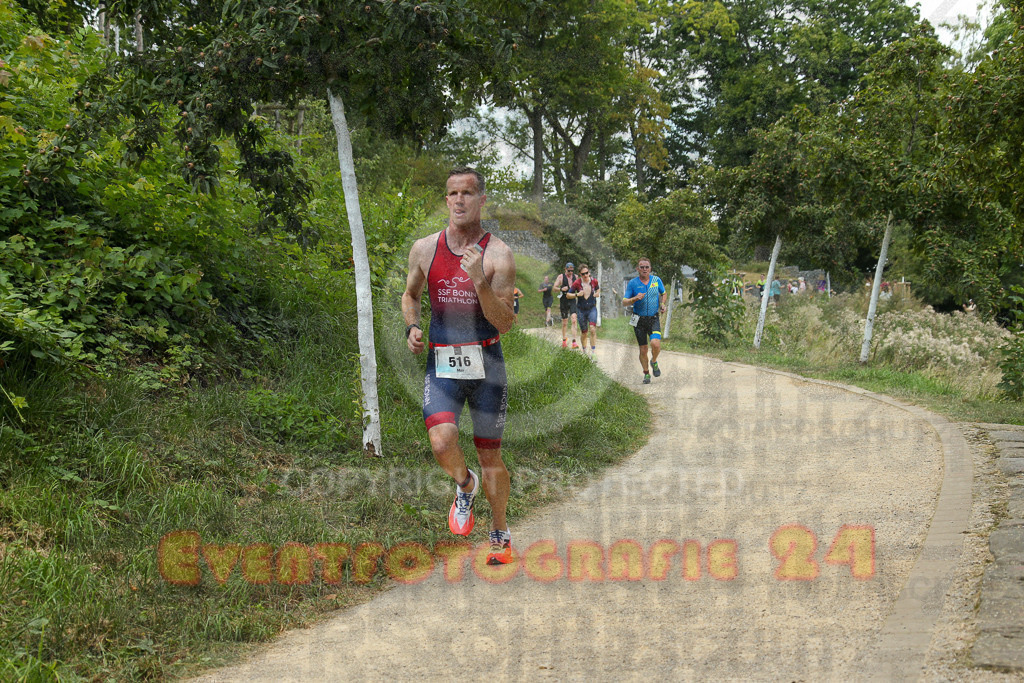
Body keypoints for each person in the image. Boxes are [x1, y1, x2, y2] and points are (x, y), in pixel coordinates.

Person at [401, 166, 516, 566]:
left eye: (468, 193)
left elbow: (505, 322)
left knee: (490, 457)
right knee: (441, 440)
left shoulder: (498, 254)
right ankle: (463, 487)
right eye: (452, 193)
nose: (459, 200)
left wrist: (479, 282)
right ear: (446, 199)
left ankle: (499, 532)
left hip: (487, 365)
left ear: (482, 199)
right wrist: (412, 326)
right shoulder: (425, 249)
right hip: (443, 362)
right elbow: (410, 295)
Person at [622, 257, 666, 384]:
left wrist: (663, 304)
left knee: (655, 344)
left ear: (650, 269)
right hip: (639, 320)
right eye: (642, 267)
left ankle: (654, 361)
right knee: (643, 349)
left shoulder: (656, 280)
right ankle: (646, 373)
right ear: (637, 269)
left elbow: (663, 293)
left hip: (653, 318)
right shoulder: (633, 283)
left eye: (647, 267)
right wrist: (634, 299)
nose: (644, 269)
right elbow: (624, 302)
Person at [571, 264, 600, 355]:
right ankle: (584, 351)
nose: (586, 275)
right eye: (583, 274)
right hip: (581, 310)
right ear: (580, 274)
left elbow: (598, 289)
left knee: (592, 329)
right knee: (584, 332)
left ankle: (593, 351)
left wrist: (597, 293)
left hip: (592, 308)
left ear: (589, 272)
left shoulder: (594, 281)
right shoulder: (577, 283)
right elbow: (568, 295)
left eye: (587, 273)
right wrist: (576, 295)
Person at [554, 262, 579, 348]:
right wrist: (561, 288)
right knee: (564, 322)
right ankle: (564, 340)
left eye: (572, 270)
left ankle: (574, 341)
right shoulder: (561, 277)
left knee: (574, 320)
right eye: (569, 271)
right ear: (565, 269)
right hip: (564, 300)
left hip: (572, 299)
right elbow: (554, 288)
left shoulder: (576, 277)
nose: (570, 272)